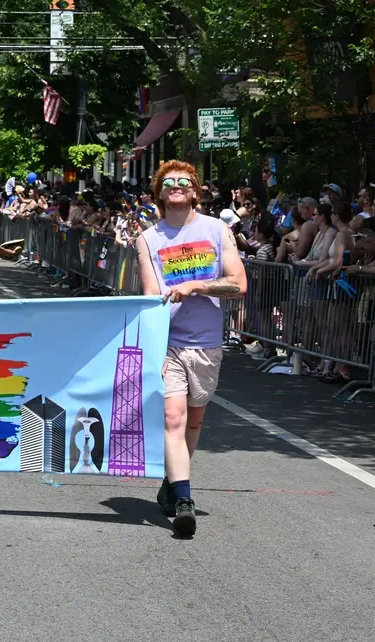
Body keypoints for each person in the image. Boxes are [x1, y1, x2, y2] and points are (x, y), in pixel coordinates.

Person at [135, 160, 247, 537]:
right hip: (168, 342)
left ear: (195, 191)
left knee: (194, 423)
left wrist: (198, 286)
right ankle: (184, 499)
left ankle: (171, 482)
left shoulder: (217, 230)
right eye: (168, 183)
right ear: (159, 193)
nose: (177, 186)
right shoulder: (148, 239)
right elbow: (151, 295)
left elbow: (238, 284)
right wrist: (152, 343)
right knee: (173, 419)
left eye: (184, 181)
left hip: (207, 344)